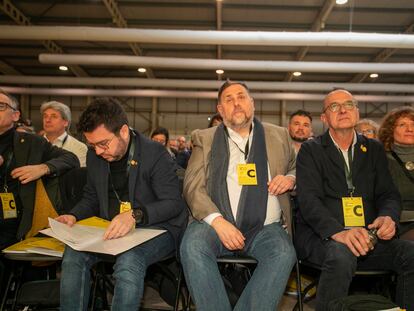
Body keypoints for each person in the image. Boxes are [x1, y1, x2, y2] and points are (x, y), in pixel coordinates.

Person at [56, 97, 187, 311]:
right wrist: (73, 215)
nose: (97, 151)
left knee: (129, 260)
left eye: (103, 144)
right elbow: (92, 196)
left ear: (124, 131)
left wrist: (135, 215)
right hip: (112, 229)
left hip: (157, 228)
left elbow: (173, 203)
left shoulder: (155, 154)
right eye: (92, 145)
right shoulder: (95, 154)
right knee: (72, 255)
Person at [180, 81, 296, 311]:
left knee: (283, 254)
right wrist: (218, 221)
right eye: (229, 100)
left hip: (266, 227)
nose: (236, 103)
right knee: (192, 246)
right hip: (215, 225)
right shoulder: (204, 137)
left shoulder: (279, 135)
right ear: (220, 110)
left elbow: (295, 167)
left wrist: (291, 179)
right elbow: (192, 186)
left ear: (252, 103)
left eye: (241, 97)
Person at [295, 89, 414, 311]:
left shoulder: (373, 149)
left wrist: (388, 217)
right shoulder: (311, 150)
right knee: (342, 254)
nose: (342, 110)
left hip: (367, 237)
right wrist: (339, 232)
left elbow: (388, 194)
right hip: (322, 237)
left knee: (411, 254)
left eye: (348, 105)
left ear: (357, 113)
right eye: (334, 106)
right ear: (324, 118)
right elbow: (308, 200)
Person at [0, 90, 79, 291]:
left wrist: (42, 168)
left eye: (1, 106)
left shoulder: (32, 143)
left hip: (15, 221)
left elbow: (71, 159)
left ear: (15, 116)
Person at [378, 106, 414, 241]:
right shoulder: (380, 159)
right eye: (402, 125)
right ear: (390, 130)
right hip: (396, 223)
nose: (410, 129)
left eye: (413, 124)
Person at [41, 101, 88, 167]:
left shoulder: (79, 148)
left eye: (54, 116)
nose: (47, 120)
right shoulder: (33, 144)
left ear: (65, 122)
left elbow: (78, 175)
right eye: (45, 116)